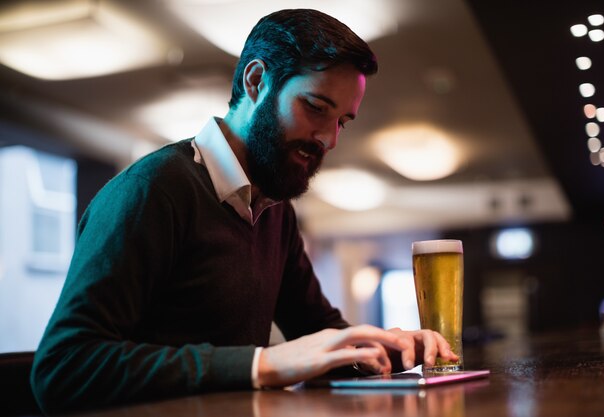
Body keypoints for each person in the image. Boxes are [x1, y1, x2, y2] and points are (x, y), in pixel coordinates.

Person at [30, 8, 457, 414]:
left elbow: (317, 333)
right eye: (315, 107)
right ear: (256, 81)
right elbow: (63, 368)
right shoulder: (153, 190)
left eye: (342, 121)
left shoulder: (274, 211)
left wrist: (384, 347)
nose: (329, 139)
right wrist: (261, 365)